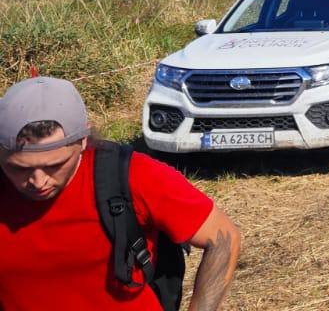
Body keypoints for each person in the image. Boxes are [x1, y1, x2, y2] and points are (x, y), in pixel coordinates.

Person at [0, 77, 242, 311]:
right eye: (19, 168)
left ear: (83, 140)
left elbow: (223, 239)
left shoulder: (131, 175)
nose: (38, 181)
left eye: (54, 165)